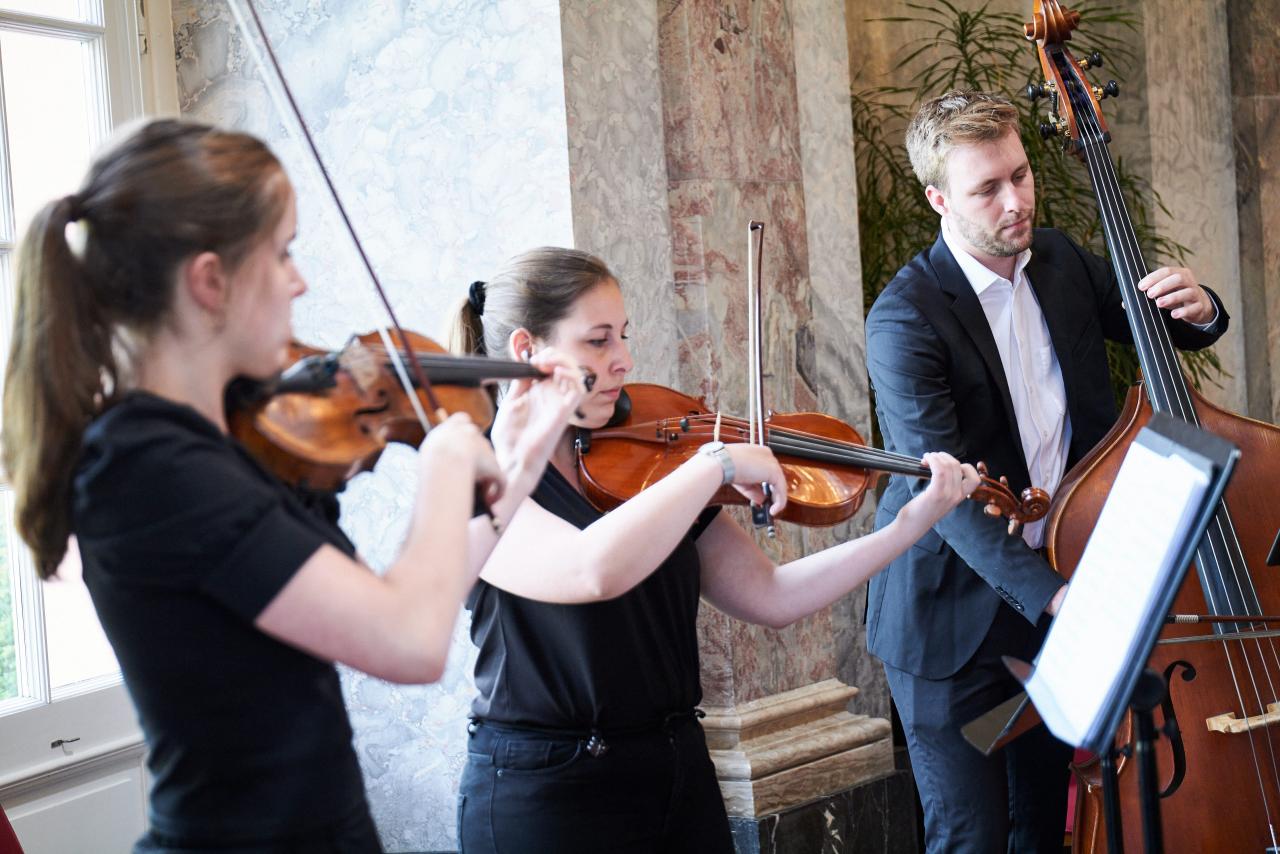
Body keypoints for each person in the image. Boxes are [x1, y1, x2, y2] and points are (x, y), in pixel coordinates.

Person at [0, 119, 585, 853]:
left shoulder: (227, 442)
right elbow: (408, 645)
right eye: (282, 253)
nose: (298, 281)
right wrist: (442, 463)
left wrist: (521, 454)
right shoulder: (146, 464)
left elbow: (411, 606)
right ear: (209, 281)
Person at [447, 246, 983, 853]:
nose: (624, 360)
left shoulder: (644, 463)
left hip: (675, 770)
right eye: (598, 341)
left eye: (623, 335)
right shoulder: (475, 473)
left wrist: (908, 526)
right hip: (548, 794)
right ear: (526, 350)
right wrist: (715, 464)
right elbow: (589, 569)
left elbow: (772, 596)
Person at [864, 90, 1229, 854]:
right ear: (938, 199)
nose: (1016, 201)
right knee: (971, 836)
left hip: (1055, 586)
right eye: (987, 189)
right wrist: (1060, 597)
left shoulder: (1060, 261)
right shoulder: (906, 319)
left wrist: (1201, 310)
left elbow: (1157, 323)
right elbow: (946, 498)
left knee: (1042, 827)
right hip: (951, 615)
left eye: (1021, 175)